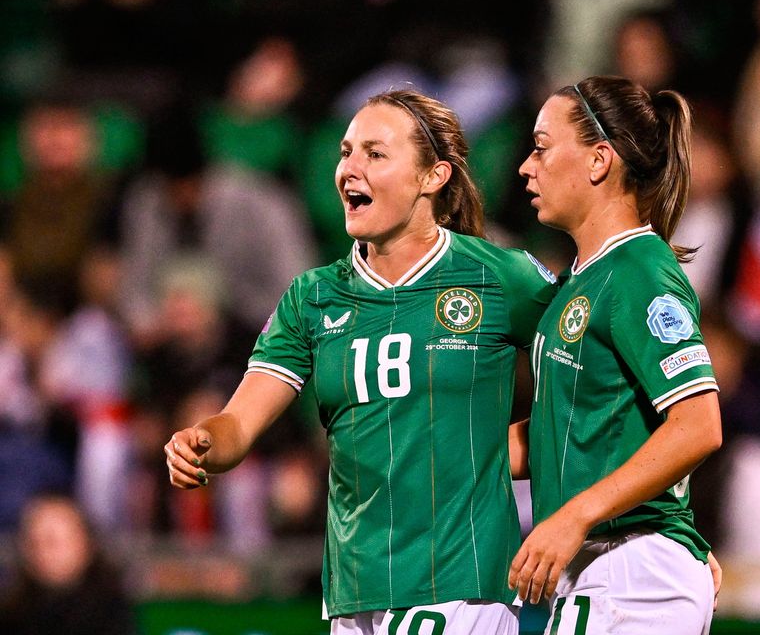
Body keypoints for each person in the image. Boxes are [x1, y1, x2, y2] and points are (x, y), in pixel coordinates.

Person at [164, 89, 556, 635]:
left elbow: (595, 370)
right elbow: (238, 424)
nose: (349, 168)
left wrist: (527, 446)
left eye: (375, 154)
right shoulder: (312, 297)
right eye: (346, 152)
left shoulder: (498, 276)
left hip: (461, 585)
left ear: (433, 176)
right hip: (353, 591)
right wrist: (202, 441)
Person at [508, 75, 722, 634]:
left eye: (542, 146)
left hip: (633, 571)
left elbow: (698, 425)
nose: (527, 167)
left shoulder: (639, 272)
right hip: (603, 569)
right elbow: (571, 430)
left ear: (599, 160)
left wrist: (577, 516)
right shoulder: (581, 281)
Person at [0, 493, 136, 635]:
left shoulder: (110, 611)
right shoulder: (11, 612)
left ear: (84, 543)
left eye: (51, 541)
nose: (41, 551)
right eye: (33, 541)